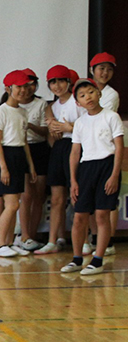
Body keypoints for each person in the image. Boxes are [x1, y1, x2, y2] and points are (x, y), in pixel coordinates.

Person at [62, 78, 124, 276]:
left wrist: (114, 174)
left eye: (90, 92)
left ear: (99, 93)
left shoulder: (111, 117)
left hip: (107, 165)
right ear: (78, 103)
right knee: (79, 216)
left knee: (101, 215)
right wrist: (73, 180)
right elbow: (75, 153)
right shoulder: (80, 123)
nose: (87, 97)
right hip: (86, 168)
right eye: (82, 95)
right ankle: (77, 258)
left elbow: (119, 147)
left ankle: (98, 259)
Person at [0, 70, 37, 258]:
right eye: (18, 87)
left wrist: (31, 166)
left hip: (18, 156)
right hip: (6, 156)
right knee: (11, 205)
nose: (23, 90)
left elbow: (24, 141)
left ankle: (9, 242)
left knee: (15, 203)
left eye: (26, 86)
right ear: (8, 88)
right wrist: (3, 167)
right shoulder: (1, 111)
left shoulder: (23, 112)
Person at [37, 65, 82, 255]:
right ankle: (52, 240)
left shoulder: (78, 102)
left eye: (61, 81)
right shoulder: (52, 107)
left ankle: (84, 240)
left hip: (77, 146)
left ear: (69, 82)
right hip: (59, 148)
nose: (57, 86)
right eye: (53, 82)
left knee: (78, 196)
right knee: (57, 197)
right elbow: (53, 135)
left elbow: (87, 127)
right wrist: (54, 130)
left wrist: (68, 127)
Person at [89, 53, 120, 256]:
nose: (105, 72)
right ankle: (95, 238)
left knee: (108, 199)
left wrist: (67, 126)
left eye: (109, 69)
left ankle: (107, 240)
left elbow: (96, 119)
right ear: (92, 70)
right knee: (90, 200)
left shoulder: (111, 95)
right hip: (89, 152)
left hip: (106, 152)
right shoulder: (85, 90)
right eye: (101, 68)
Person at [17, 69, 49, 251]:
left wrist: (29, 125)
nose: (27, 89)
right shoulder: (12, 104)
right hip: (20, 148)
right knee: (26, 195)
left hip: (39, 149)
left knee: (39, 195)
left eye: (31, 84)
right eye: (23, 85)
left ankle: (34, 234)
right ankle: (24, 235)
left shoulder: (41, 103)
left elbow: (45, 131)